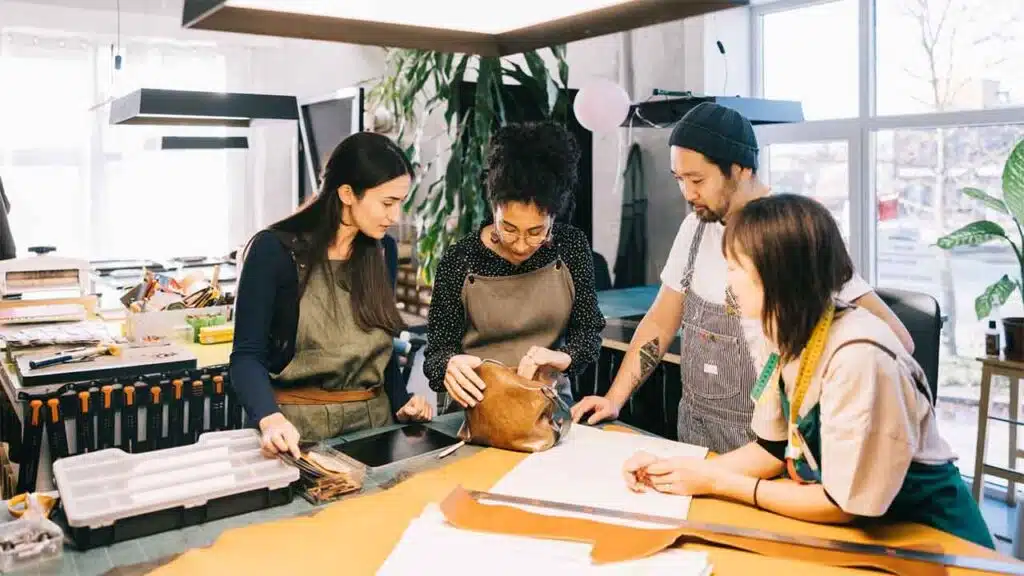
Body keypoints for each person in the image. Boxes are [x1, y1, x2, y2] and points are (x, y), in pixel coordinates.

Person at [621, 194, 994, 549]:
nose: (728, 281)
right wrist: (674, 470)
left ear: (777, 275)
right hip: (868, 536)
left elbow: (842, 504)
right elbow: (770, 451)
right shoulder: (779, 334)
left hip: (932, 540)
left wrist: (718, 481)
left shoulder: (859, 355)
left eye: (735, 267)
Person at [571, 102, 914, 455]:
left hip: (772, 449)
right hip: (697, 435)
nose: (687, 194)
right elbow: (660, 320)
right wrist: (614, 399)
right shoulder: (695, 228)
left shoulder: (791, 233)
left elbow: (896, 340)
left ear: (740, 169)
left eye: (698, 180)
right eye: (680, 180)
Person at [231, 132, 433, 458]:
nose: (395, 217)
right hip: (298, 434)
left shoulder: (384, 252)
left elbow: (381, 354)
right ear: (347, 193)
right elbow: (246, 356)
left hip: (374, 430)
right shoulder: (273, 251)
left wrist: (402, 403)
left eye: (401, 203)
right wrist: (269, 419)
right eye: (388, 203)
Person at [423, 121, 606, 412]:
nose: (521, 245)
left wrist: (566, 357)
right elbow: (436, 354)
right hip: (476, 411)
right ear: (493, 207)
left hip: (547, 407)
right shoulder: (461, 259)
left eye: (536, 232)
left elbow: (588, 332)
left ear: (554, 217)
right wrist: (448, 366)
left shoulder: (570, 247)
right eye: (508, 229)